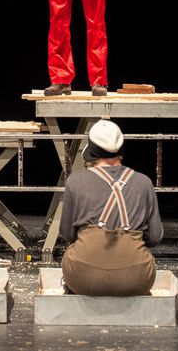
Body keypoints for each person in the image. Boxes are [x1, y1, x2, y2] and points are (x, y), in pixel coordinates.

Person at [60, 119, 163, 295]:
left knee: (71, 254)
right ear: (121, 149)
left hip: (83, 279)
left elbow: (67, 233)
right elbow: (154, 237)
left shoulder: (75, 181)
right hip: (136, 279)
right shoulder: (144, 182)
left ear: (91, 151)